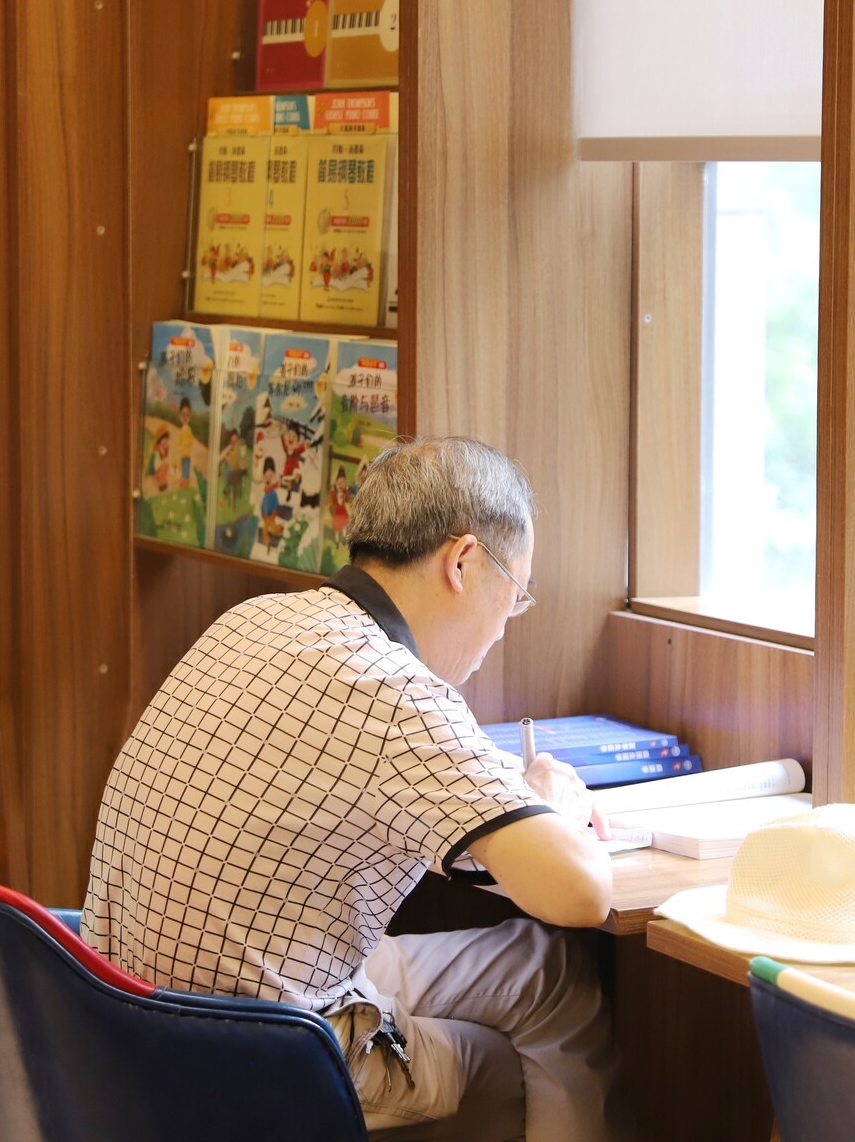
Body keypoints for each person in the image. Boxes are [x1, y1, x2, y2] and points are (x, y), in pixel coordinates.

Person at [85, 437, 624, 1142]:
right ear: (463, 562)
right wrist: (557, 805)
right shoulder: (395, 690)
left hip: (125, 1019)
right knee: (501, 1065)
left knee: (547, 971)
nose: (502, 628)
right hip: (256, 1057)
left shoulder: (251, 620)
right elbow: (583, 893)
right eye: (514, 595)